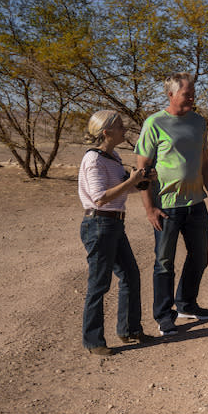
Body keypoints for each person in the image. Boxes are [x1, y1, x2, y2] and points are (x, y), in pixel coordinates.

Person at [135, 73, 208, 336]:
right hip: (167, 206)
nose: (193, 97)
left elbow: (206, 163)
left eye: (193, 92)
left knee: (200, 257)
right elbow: (142, 168)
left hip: (196, 202)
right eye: (187, 93)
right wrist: (149, 208)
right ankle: (164, 316)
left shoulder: (198, 122)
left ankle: (186, 304)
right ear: (171, 95)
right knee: (164, 262)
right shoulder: (154, 123)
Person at [77, 110, 152, 355]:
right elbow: (100, 198)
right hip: (99, 225)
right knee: (99, 284)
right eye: (120, 126)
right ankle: (93, 341)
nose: (124, 129)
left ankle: (129, 330)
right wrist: (131, 182)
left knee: (130, 275)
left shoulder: (113, 156)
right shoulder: (94, 160)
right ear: (107, 132)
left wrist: (140, 181)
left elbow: (119, 190)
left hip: (114, 224)